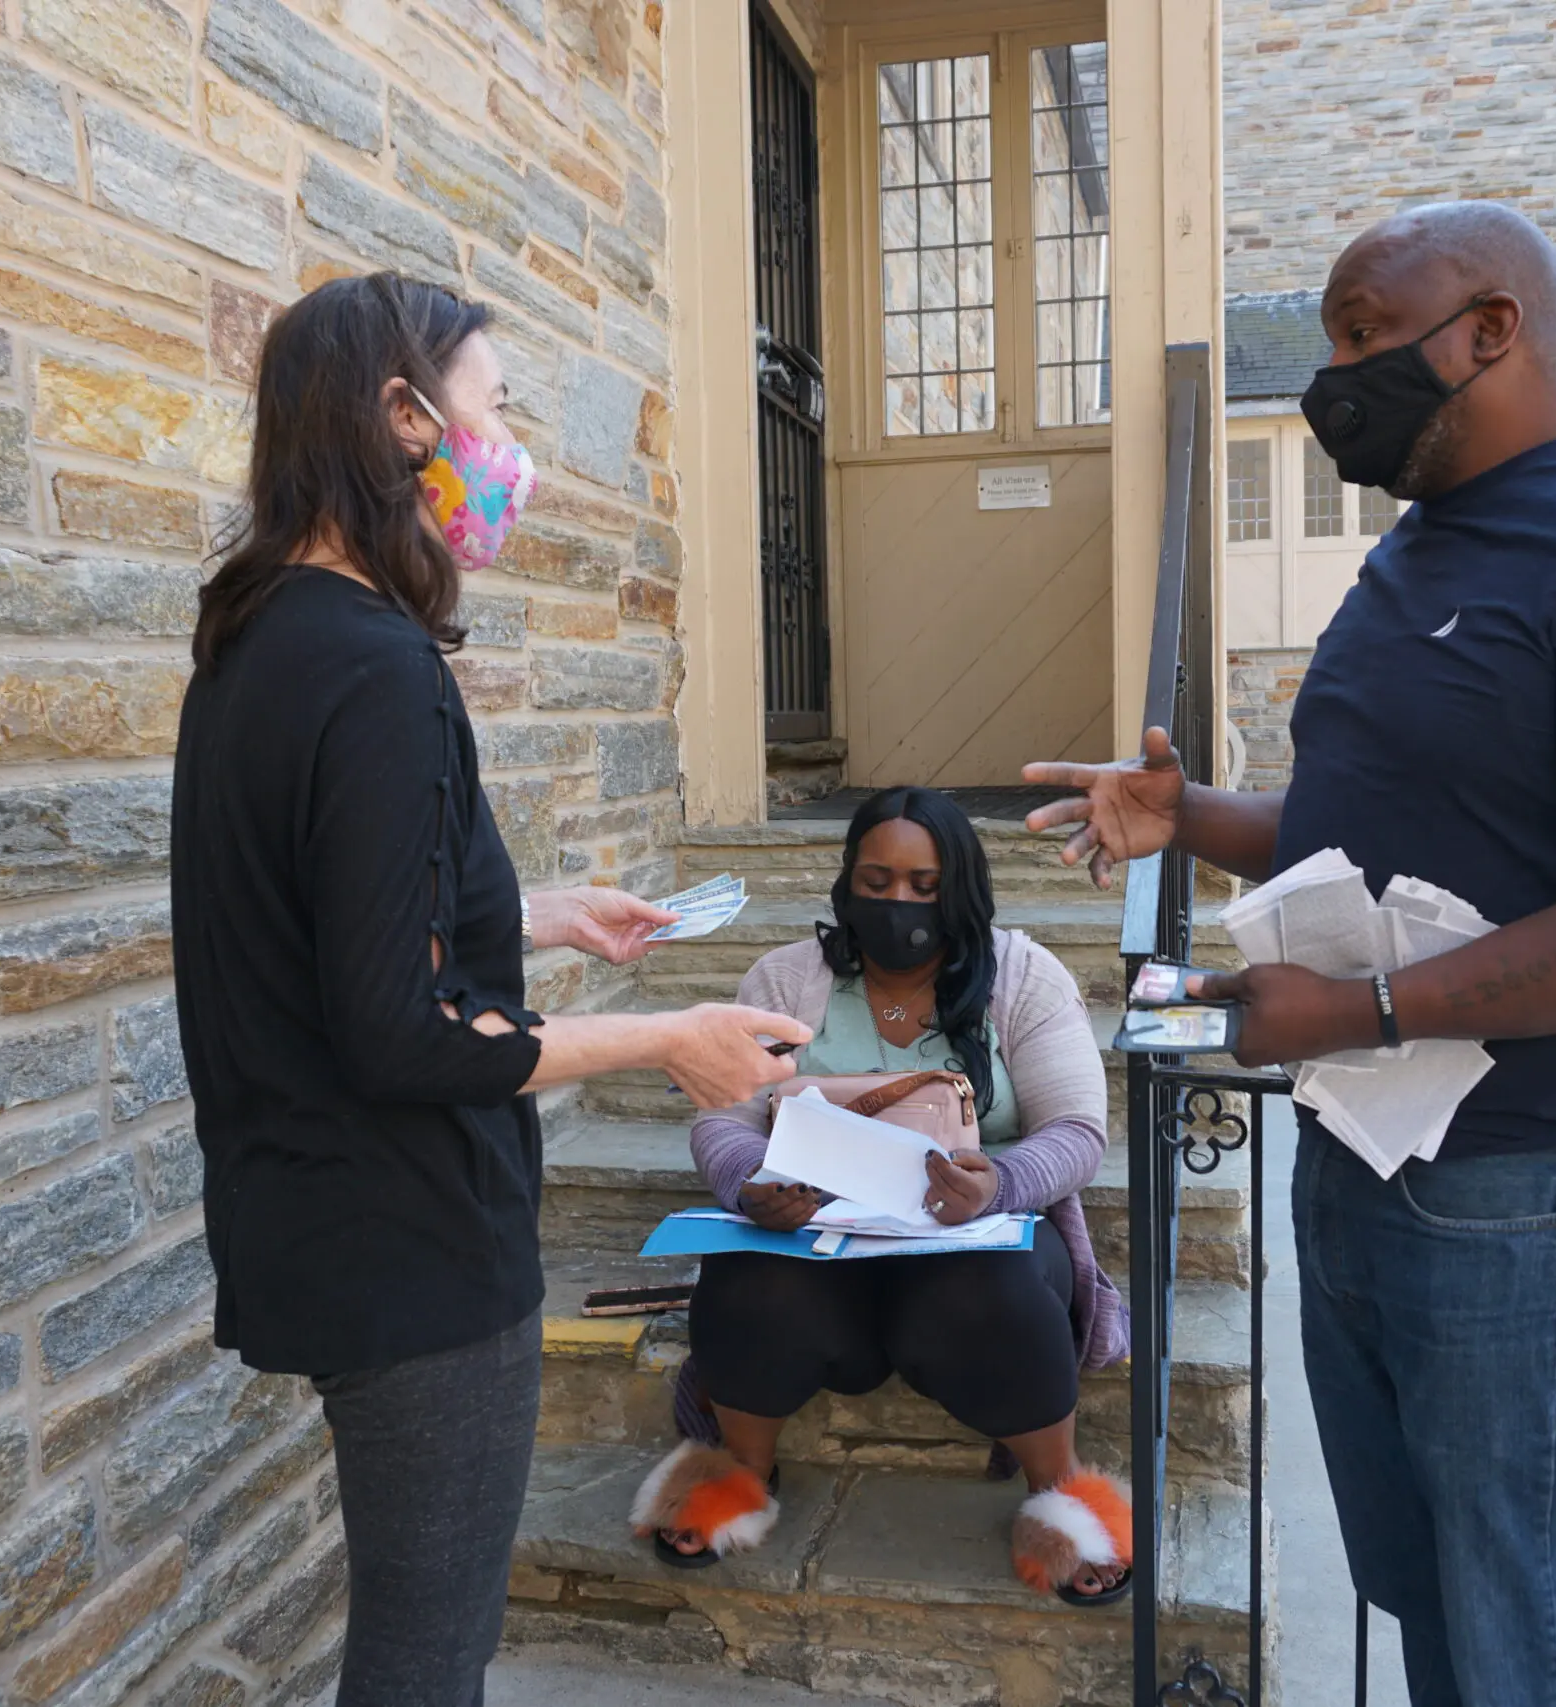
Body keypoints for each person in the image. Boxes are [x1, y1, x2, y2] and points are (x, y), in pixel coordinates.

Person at [1023, 203, 1556, 1706]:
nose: (1336, 376)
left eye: (1368, 334)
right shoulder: (1417, 556)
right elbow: (1371, 830)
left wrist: (1359, 1009)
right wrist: (1192, 817)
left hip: (1552, 1193)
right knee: (1433, 1597)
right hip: (1375, 1165)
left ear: (1492, 330)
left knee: (1534, 1641)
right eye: (1332, 343)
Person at [170, 274, 812, 1707]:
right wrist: (670, 1038)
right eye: (496, 409)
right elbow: (400, 1027)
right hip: (410, 1250)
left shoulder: (259, 640)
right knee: (425, 1657)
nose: (512, 449)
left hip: (312, 1220)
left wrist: (532, 912)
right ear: (405, 418)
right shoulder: (382, 671)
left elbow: (317, 924)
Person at [628, 788, 1135, 1602]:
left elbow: (1077, 1131)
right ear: (848, 883)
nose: (898, 901)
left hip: (974, 1237)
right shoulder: (787, 978)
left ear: (960, 887)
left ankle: (1060, 1491)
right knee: (744, 1275)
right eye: (878, 880)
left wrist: (999, 1182)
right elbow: (721, 1119)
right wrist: (751, 1180)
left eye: (924, 885)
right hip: (819, 1242)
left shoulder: (1024, 975)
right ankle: (742, 1471)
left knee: (994, 1293)